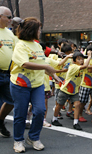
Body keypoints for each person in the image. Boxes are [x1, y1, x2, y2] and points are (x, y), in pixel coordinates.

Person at [10, 17, 60, 153]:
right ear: (32, 30)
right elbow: (24, 63)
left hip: (37, 84)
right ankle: (18, 140)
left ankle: (33, 138)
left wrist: (54, 75)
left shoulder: (37, 45)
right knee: (20, 114)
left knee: (39, 111)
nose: (40, 31)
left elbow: (42, 64)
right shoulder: (20, 45)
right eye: (38, 29)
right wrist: (47, 67)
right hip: (21, 84)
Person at [52, 51, 92, 130]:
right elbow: (85, 66)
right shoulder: (73, 66)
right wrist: (89, 56)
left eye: (82, 59)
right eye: (79, 59)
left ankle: (75, 122)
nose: (81, 61)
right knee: (59, 105)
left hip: (74, 90)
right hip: (65, 89)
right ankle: (54, 119)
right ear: (74, 61)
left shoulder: (80, 67)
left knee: (77, 105)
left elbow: (89, 67)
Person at [0, 6, 17, 138]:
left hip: (7, 73)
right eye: (9, 17)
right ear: (0, 17)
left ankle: (0, 122)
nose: (11, 20)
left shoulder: (10, 33)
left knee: (11, 100)